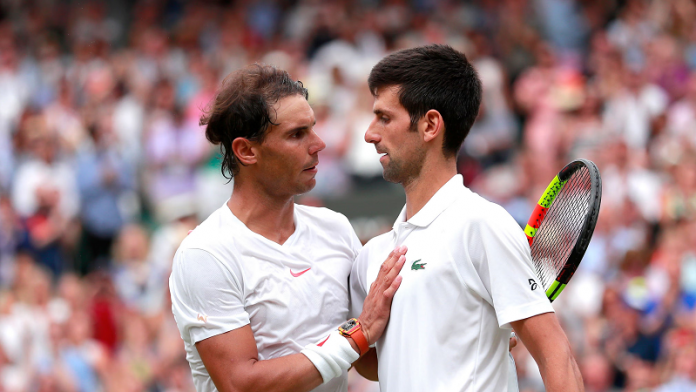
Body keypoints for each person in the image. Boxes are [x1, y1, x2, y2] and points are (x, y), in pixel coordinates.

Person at [349, 44, 584, 392]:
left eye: (384, 117)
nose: (370, 133)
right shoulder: (372, 256)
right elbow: (376, 364)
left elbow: (555, 354)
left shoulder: (481, 224)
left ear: (430, 125)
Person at [168, 64, 406, 392]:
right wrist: (358, 333)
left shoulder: (335, 228)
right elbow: (240, 384)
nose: (318, 144)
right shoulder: (205, 253)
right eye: (297, 134)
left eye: (313, 128)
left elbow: (367, 361)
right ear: (246, 151)